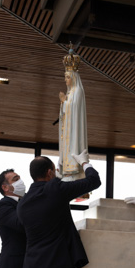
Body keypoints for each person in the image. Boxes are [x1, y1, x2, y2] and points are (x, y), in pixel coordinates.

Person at [58, 49, 88, 181]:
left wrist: (64, 102)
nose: (65, 80)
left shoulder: (78, 91)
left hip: (74, 127)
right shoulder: (70, 92)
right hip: (68, 128)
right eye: (65, 77)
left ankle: (74, 167)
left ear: (74, 78)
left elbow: (74, 109)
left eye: (68, 77)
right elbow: (65, 112)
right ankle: (66, 169)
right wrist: (63, 103)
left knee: (73, 145)